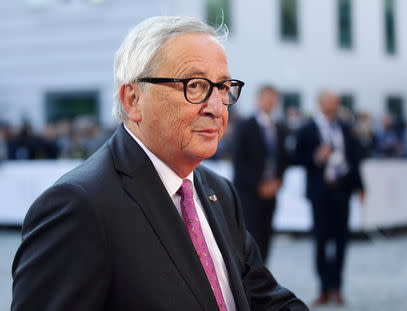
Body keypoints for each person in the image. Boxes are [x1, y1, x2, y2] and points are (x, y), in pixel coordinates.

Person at [11, 16, 309, 311]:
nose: (217, 108)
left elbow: (262, 297)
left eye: (222, 87)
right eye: (195, 85)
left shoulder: (219, 192)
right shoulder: (78, 206)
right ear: (133, 100)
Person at [293, 91, 364, 306]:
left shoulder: (345, 127)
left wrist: (360, 186)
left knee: (342, 240)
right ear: (322, 103)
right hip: (320, 192)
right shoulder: (307, 130)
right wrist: (316, 156)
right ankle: (323, 288)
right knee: (321, 240)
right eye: (332, 101)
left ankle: (337, 287)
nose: (336, 104)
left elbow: (354, 159)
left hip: (341, 190)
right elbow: (297, 157)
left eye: (337, 101)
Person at [232, 86, 289, 262]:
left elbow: (283, 159)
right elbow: (239, 160)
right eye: (267, 98)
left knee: (266, 237)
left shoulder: (279, 127)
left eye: (274, 99)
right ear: (258, 99)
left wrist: (277, 181)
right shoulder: (245, 126)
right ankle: (249, 281)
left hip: (271, 193)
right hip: (249, 193)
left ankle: (262, 277)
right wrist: (258, 185)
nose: (271, 103)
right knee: (250, 237)